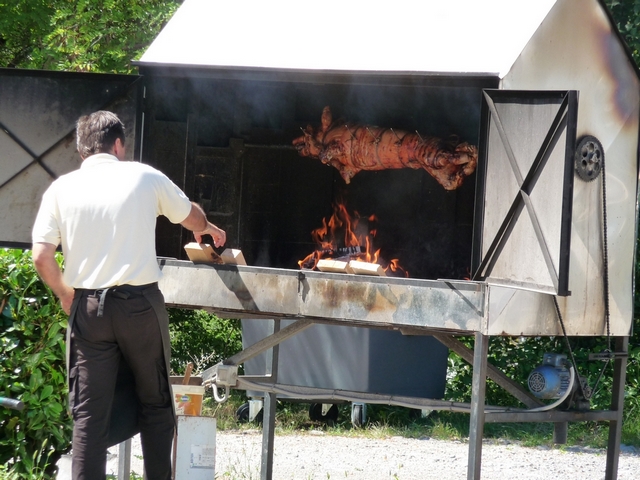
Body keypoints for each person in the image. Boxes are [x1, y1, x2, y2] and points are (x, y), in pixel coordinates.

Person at [31, 110, 225, 480]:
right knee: (155, 404)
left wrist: (65, 294)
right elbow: (190, 218)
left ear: (82, 149)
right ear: (118, 144)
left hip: (88, 310)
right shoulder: (144, 176)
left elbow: (41, 255)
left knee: (89, 414)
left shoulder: (61, 188)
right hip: (139, 307)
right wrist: (210, 227)